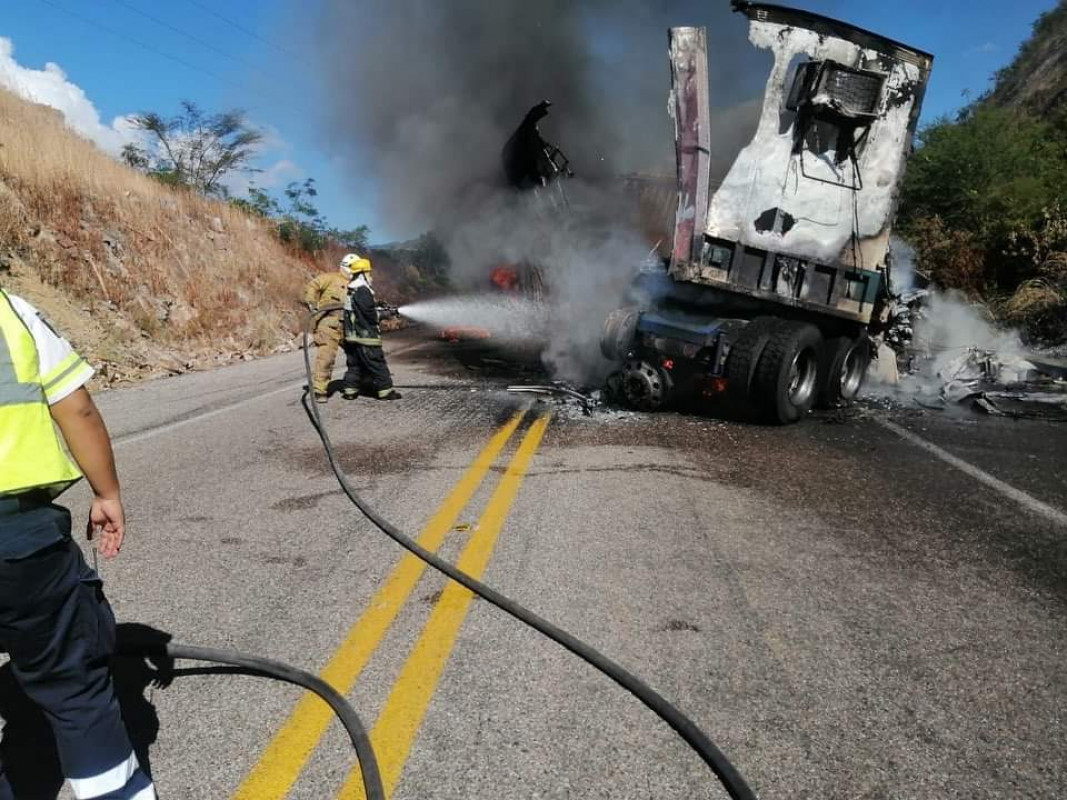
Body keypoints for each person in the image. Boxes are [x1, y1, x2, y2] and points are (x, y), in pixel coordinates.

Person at [0, 288, 155, 799]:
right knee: (73, 688)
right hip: (19, 541)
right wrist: (106, 491)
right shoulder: (12, 312)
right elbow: (77, 407)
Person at [340, 256, 401, 401]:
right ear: (362, 274)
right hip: (365, 336)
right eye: (368, 273)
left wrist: (377, 305)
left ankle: (350, 390)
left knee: (355, 365)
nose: (370, 276)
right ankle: (385, 391)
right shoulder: (362, 290)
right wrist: (385, 313)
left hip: (351, 336)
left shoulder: (352, 290)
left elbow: (360, 309)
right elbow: (369, 314)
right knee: (377, 363)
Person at [302, 255, 354, 403]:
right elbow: (313, 285)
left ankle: (356, 382)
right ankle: (320, 390)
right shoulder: (331, 278)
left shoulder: (356, 284)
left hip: (349, 325)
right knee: (326, 357)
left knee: (357, 354)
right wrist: (312, 302)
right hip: (328, 323)